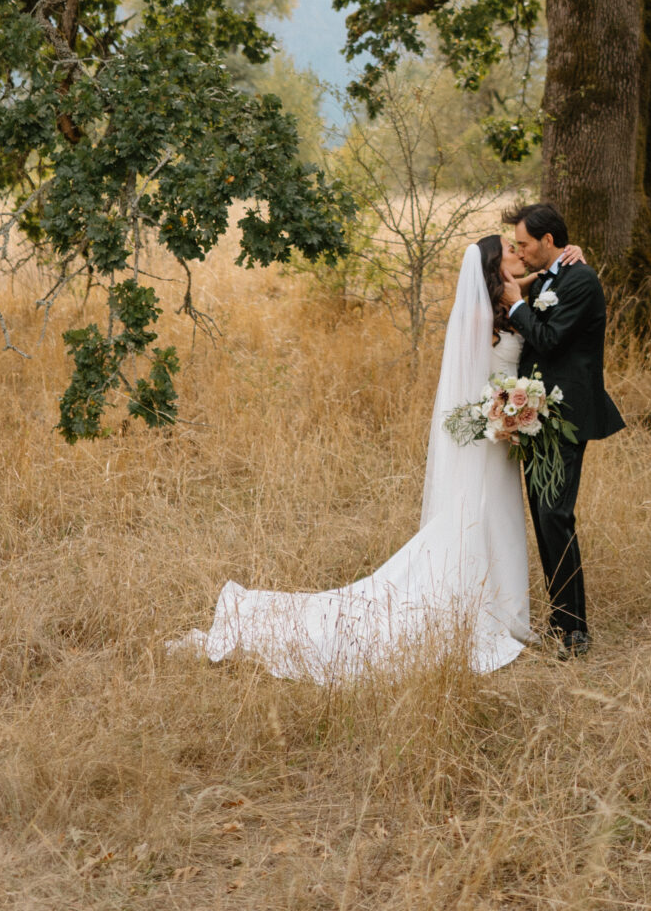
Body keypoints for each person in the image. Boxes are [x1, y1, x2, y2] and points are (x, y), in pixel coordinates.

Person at [173, 234, 546, 681]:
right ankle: (483, 611)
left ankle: (504, 610)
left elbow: (542, 274)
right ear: (492, 265)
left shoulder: (513, 297)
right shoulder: (479, 316)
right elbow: (468, 385)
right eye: (510, 249)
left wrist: (562, 260)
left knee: (499, 519)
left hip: (504, 437)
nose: (519, 253)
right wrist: (501, 413)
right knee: (481, 519)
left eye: (521, 247)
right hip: (491, 436)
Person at [502, 201, 625, 660]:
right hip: (536, 414)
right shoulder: (555, 273)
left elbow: (550, 338)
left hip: (565, 415)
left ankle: (574, 631)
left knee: (555, 515)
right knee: (544, 515)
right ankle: (561, 618)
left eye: (526, 244)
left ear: (549, 241)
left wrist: (516, 305)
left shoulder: (581, 280)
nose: (521, 251)